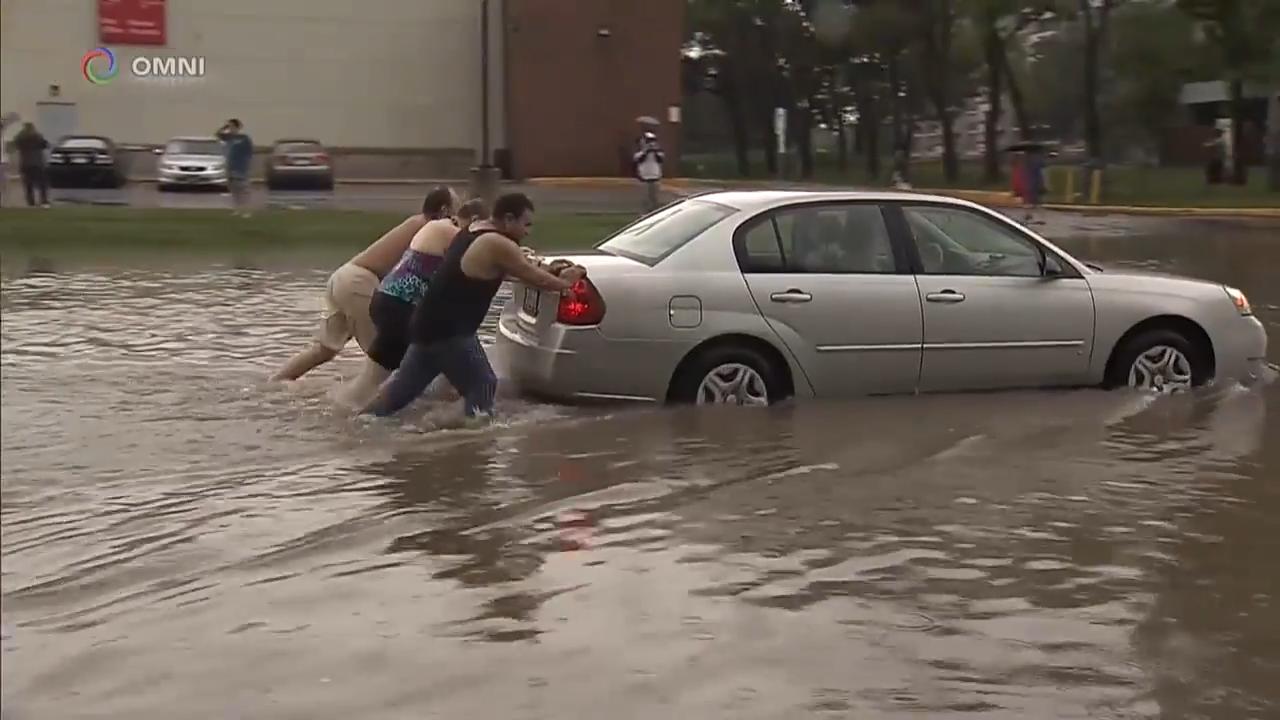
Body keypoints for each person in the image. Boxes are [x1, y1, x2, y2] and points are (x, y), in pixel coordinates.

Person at [361, 192, 585, 420]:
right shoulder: (496, 243)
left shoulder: (474, 230)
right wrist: (566, 283)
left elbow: (514, 271)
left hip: (426, 324)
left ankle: (361, 421)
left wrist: (551, 273)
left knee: (400, 393)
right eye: (525, 224)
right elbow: (533, 277)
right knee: (484, 384)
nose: (528, 232)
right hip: (450, 331)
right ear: (508, 219)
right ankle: (475, 443)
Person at [272, 186, 458, 382]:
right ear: (445, 210)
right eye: (457, 207)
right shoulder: (429, 228)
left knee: (324, 349)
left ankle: (275, 382)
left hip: (343, 278)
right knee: (384, 360)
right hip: (359, 283)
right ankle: (370, 408)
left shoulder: (417, 223)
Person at [333, 197, 490, 407]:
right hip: (401, 306)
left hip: (388, 300)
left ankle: (351, 406)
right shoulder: (453, 234)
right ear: (475, 219)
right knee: (380, 377)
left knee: (395, 371)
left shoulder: (438, 226)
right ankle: (351, 414)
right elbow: (478, 261)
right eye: (483, 227)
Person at [216, 118, 254, 217]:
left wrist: (247, 165)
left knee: (243, 190)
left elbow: (249, 153)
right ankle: (237, 209)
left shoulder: (244, 138)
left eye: (232, 126)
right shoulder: (228, 137)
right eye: (229, 127)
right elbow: (217, 134)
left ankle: (246, 211)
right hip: (230, 167)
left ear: (237, 127)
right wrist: (224, 127)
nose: (230, 129)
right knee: (234, 191)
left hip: (241, 167)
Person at [13, 122, 50, 208]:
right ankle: (44, 202)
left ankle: (31, 203)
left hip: (26, 163)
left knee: (28, 184)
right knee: (42, 183)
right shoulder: (37, 137)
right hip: (38, 163)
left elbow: (16, 145)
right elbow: (46, 145)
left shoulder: (20, 138)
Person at [632, 131, 664, 212]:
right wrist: (646, 150)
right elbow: (639, 159)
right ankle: (644, 215)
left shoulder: (658, 152)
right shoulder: (639, 152)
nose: (651, 143)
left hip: (655, 178)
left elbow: (660, 159)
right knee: (645, 201)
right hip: (644, 179)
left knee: (655, 200)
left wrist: (654, 150)